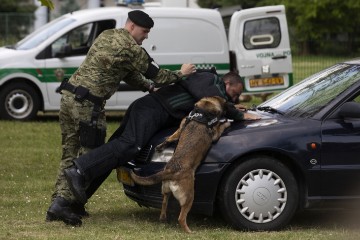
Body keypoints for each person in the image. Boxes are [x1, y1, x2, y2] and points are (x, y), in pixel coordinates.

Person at [46, 9, 196, 226]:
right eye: (145, 31)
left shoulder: (107, 35)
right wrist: (182, 73)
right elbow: (161, 75)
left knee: (69, 154)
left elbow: (127, 72)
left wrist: (147, 87)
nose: (146, 36)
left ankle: (60, 206)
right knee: (91, 159)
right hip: (88, 106)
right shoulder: (131, 49)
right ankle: (62, 204)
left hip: (69, 98)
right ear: (132, 26)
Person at [62, 70, 260, 225]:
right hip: (152, 110)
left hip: (149, 110)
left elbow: (213, 108)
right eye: (235, 94)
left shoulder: (216, 93)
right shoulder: (209, 78)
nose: (234, 99)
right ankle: (78, 169)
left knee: (116, 154)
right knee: (129, 146)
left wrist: (231, 110)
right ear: (227, 83)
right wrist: (240, 115)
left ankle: (72, 203)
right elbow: (209, 96)